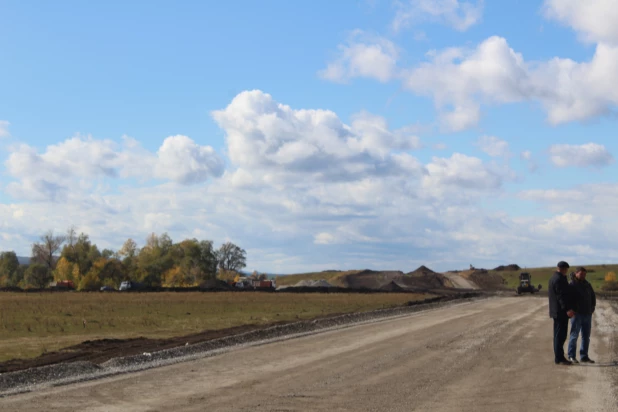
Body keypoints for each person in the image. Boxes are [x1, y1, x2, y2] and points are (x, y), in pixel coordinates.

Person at [548, 261, 575, 365]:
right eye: (566, 269)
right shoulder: (559, 279)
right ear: (563, 269)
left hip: (557, 311)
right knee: (560, 335)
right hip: (560, 312)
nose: (566, 271)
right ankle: (559, 358)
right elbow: (561, 296)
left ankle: (559, 357)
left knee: (558, 335)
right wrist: (567, 309)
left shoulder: (553, 278)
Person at [567, 267, 596, 363]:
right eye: (581, 274)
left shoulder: (587, 284)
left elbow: (592, 296)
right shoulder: (572, 284)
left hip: (587, 314)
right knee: (574, 336)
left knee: (586, 336)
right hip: (577, 314)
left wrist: (592, 307)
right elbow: (568, 299)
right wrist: (571, 310)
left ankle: (584, 356)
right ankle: (571, 356)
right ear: (576, 273)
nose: (583, 276)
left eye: (584, 274)